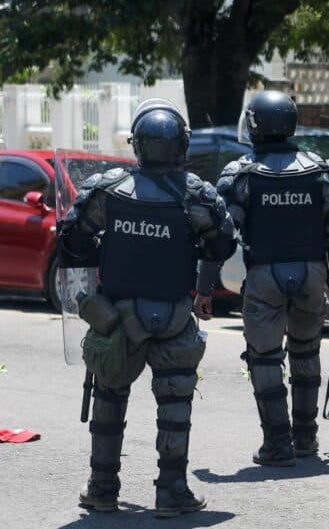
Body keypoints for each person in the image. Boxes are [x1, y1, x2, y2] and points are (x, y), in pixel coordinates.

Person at [60, 99, 236, 517]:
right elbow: (224, 242)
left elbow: (72, 238)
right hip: (175, 316)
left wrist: (105, 246)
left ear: (138, 144)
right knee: (175, 405)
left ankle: (102, 488)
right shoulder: (196, 194)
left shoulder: (107, 190)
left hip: (117, 319)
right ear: (181, 145)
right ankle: (171, 490)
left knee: (109, 397)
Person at [194, 90, 329, 465]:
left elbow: (221, 237)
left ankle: (278, 444)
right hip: (313, 275)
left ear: (255, 126)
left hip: (264, 276)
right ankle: (307, 439)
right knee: (306, 352)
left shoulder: (241, 173)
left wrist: (204, 288)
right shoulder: (320, 170)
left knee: (264, 359)